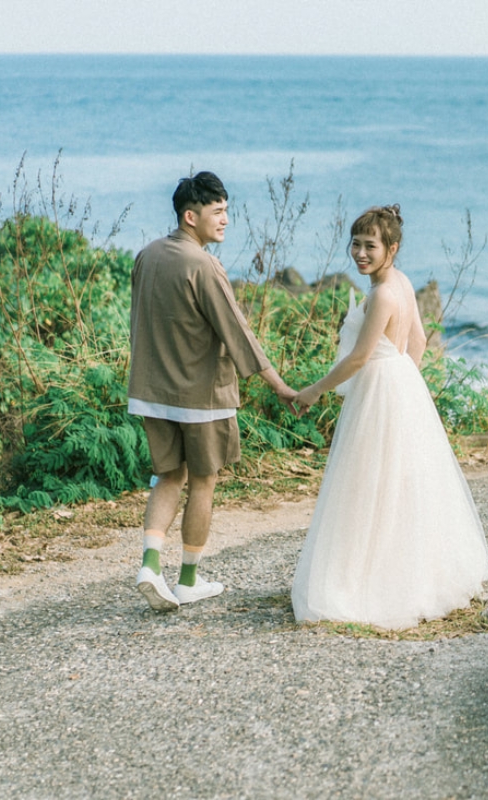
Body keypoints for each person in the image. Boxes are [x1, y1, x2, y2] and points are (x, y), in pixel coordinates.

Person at [290, 205, 488, 629]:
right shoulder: (401, 283)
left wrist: (314, 390)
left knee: (366, 485)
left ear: (392, 248)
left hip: (380, 387)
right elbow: (417, 340)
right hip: (400, 382)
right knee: (398, 483)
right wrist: (405, 385)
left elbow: (361, 356)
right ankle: (409, 572)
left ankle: (370, 581)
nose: (360, 253)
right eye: (357, 244)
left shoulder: (382, 293)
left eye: (370, 246)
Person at [128, 171, 298, 612]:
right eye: (217, 212)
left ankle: (150, 565)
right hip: (201, 396)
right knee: (203, 482)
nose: (225, 220)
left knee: (168, 477)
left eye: (227, 211)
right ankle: (186, 580)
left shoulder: (147, 256)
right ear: (191, 216)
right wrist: (278, 385)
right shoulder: (202, 265)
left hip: (151, 391)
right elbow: (237, 331)